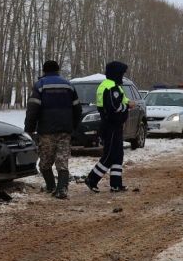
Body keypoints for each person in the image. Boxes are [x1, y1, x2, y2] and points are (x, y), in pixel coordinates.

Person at [24, 60, 82, 199]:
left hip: (46, 131)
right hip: (65, 130)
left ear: (44, 70)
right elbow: (77, 109)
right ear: (58, 70)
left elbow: (33, 109)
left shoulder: (40, 85)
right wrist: (73, 127)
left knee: (45, 163)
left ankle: (51, 186)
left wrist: (29, 128)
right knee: (62, 161)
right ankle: (62, 189)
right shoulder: (69, 85)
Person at [84, 61, 136, 193]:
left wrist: (126, 103)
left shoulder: (111, 85)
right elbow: (114, 108)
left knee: (118, 155)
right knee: (110, 155)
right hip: (111, 126)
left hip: (114, 125)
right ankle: (92, 179)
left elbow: (117, 103)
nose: (123, 76)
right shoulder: (111, 87)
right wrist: (127, 106)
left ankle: (116, 184)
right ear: (116, 73)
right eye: (122, 73)